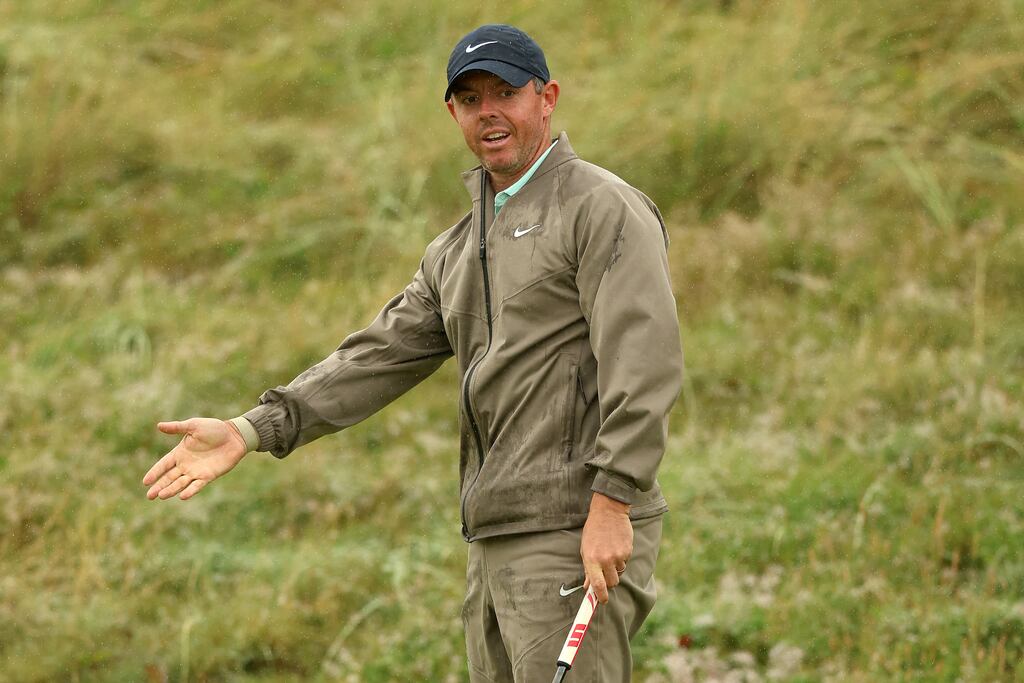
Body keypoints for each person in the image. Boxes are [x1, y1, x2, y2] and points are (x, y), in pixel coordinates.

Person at [142, 23, 683, 682]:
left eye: (506, 92)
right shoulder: (458, 246)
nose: (489, 112)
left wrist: (613, 502)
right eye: (470, 98)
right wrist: (251, 428)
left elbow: (644, 361)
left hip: (573, 533)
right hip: (493, 542)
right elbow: (378, 354)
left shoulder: (602, 209)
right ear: (452, 112)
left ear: (547, 98)